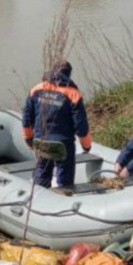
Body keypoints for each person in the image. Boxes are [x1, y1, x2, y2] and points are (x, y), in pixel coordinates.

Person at [21, 60, 93, 191]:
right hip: (62, 144)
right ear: (69, 74)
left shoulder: (36, 89)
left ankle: (38, 201)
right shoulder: (73, 94)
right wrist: (86, 146)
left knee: (41, 173)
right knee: (65, 180)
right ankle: (64, 200)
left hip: (40, 141)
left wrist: (28, 139)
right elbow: (81, 126)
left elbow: (26, 118)